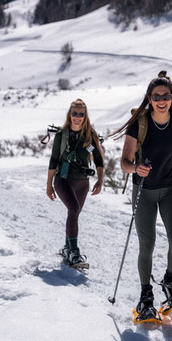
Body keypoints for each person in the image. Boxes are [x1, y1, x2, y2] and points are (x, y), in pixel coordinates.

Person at [111, 71, 172, 318]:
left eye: (165, 95)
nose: (161, 100)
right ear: (149, 98)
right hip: (144, 190)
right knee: (147, 245)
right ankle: (146, 297)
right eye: (156, 96)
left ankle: (170, 281)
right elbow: (124, 162)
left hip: (170, 189)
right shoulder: (139, 123)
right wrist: (135, 169)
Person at [46, 98, 104, 266]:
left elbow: (99, 160)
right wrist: (49, 185)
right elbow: (53, 160)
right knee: (74, 208)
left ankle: (66, 247)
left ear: (85, 116)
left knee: (74, 213)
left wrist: (100, 181)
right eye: (74, 114)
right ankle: (74, 251)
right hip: (63, 180)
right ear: (69, 115)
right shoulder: (61, 135)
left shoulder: (90, 135)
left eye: (81, 114)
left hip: (82, 183)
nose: (77, 117)